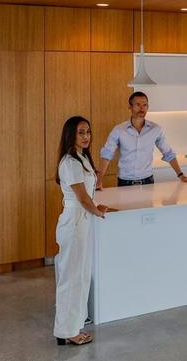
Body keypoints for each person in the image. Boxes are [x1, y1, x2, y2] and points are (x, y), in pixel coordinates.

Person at [53, 116, 113, 346]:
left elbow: (90, 195)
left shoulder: (82, 159)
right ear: (71, 135)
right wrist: (97, 211)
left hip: (83, 221)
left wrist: (96, 208)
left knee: (81, 275)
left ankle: (74, 324)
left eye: (88, 131)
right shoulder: (69, 162)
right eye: (80, 132)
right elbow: (83, 198)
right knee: (71, 277)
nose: (86, 136)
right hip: (75, 222)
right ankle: (66, 330)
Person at [96, 91, 187, 188]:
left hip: (148, 182)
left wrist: (181, 175)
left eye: (144, 105)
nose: (142, 108)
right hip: (125, 183)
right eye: (137, 105)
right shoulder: (119, 130)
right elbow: (106, 155)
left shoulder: (156, 129)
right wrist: (99, 181)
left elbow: (168, 153)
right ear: (130, 107)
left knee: (149, 208)